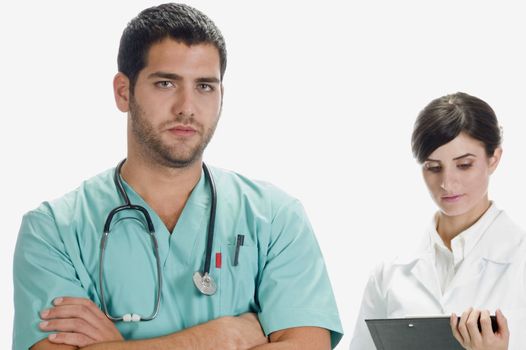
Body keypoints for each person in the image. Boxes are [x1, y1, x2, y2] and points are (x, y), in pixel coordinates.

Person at [12, 3, 343, 349]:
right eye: (166, 83)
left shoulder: (275, 216)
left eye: (204, 87)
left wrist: (119, 346)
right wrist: (221, 337)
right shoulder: (53, 230)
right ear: (124, 92)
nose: (187, 106)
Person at [349, 92, 526, 350]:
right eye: (433, 167)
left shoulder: (519, 259)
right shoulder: (390, 272)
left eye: (464, 165)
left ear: (494, 159)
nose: (447, 183)